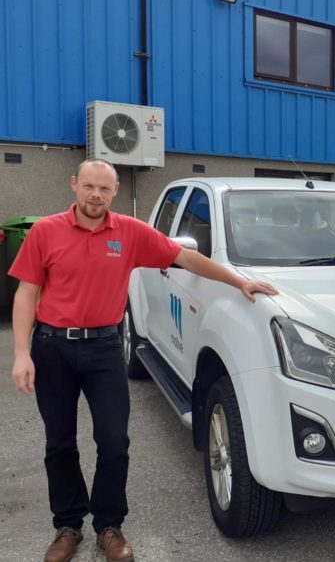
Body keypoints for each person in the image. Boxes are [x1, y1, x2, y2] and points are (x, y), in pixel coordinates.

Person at [9, 159, 278, 562]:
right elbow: (26, 293)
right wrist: (20, 353)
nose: (95, 195)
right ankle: (67, 526)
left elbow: (186, 259)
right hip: (53, 348)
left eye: (103, 188)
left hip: (104, 349)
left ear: (115, 190)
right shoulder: (47, 231)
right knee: (59, 443)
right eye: (88, 186)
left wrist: (239, 281)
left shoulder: (130, 232)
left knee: (114, 441)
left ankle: (109, 526)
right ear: (74, 185)